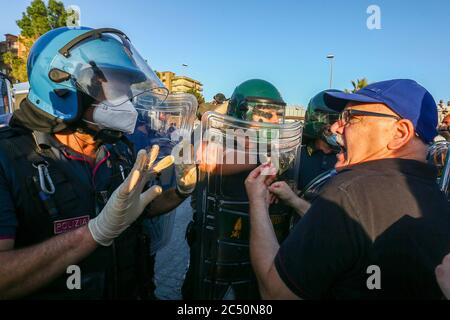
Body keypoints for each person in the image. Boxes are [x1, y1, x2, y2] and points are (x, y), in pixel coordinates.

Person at [0, 27, 194, 299]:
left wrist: (181, 191)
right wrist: (94, 233)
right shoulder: (8, 158)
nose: (128, 101)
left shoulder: (119, 151)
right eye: (115, 87)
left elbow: (139, 210)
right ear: (62, 86)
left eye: (129, 89)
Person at [245, 79, 450, 299]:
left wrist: (257, 201)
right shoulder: (439, 201)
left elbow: (275, 293)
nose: (335, 127)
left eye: (350, 118)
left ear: (400, 133)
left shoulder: (348, 193)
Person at [183, 79, 302, 300]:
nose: (275, 121)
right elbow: (206, 158)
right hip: (217, 250)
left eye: (278, 114)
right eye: (266, 115)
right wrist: (262, 156)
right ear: (241, 112)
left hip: (260, 250)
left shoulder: (280, 149)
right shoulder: (219, 135)